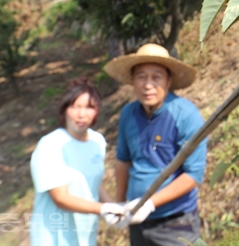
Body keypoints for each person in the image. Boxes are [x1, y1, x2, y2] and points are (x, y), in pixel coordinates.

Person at [104, 43, 207, 246]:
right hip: (137, 220)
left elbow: (193, 175)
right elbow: (123, 161)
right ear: (132, 80)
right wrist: (119, 203)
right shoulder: (128, 114)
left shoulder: (186, 115)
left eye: (156, 77)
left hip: (175, 222)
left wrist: (150, 203)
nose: (148, 84)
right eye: (141, 76)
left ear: (168, 81)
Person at [29, 78, 124, 246]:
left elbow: (95, 183)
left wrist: (114, 208)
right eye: (75, 107)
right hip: (54, 237)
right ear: (65, 110)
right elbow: (60, 198)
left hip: (86, 235)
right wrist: (101, 209)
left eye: (89, 107)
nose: (82, 114)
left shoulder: (97, 142)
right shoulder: (50, 145)